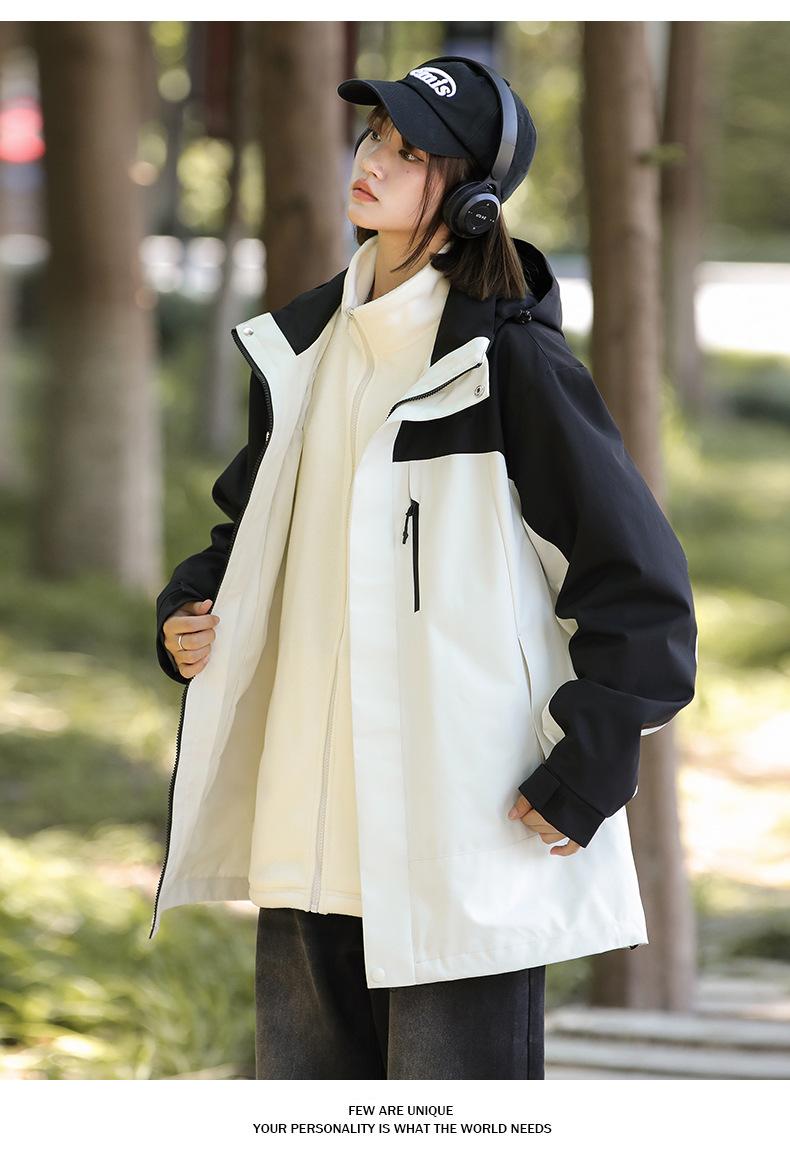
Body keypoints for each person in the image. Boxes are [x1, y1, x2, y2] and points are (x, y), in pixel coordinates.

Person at [152, 56, 698, 1081]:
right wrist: (190, 603)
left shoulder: (509, 363)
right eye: (375, 138)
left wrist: (588, 761)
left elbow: (641, 585)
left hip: (460, 834)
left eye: (410, 153)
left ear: (474, 198)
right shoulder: (307, 349)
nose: (372, 162)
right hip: (305, 828)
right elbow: (254, 529)